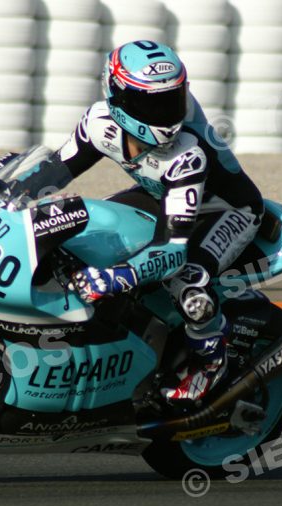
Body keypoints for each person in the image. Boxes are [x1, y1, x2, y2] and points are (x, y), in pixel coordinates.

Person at [13, 41, 264, 403]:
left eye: (172, 101)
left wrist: (119, 275)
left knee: (187, 278)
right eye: (151, 105)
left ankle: (211, 359)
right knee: (90, 231)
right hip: (163, 193)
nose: (165, 115)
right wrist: (0, 196)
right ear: (119, 98)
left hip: (229, 208)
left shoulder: (186, 152)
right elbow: (55, 170)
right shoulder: (100, 123)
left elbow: (173, 251)